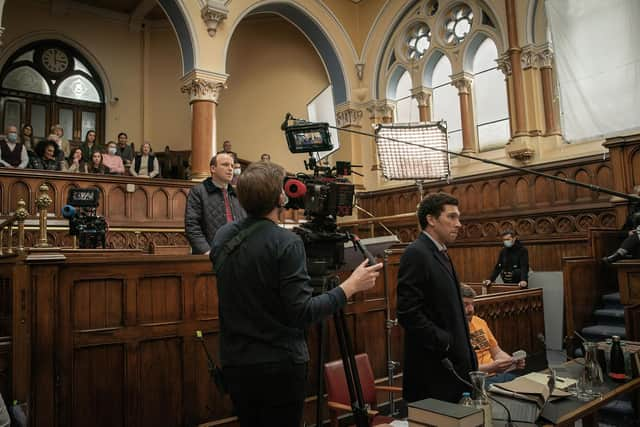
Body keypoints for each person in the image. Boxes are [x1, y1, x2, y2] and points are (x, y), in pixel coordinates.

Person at [211, 161, 383, 427]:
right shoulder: (286, 242)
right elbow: (302, 313)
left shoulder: (223, 236)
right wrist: (350, 286)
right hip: (279, 365)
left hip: (236, 363)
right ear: (281, 196)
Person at [397, 192, 477, 404]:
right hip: (434, 371)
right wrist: (446, 342)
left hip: (453, 368)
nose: (458, 224)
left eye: (458, 217)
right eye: (451, 217)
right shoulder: (416, 253)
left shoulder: (441, 252)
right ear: (431, 219)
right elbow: (407, 312)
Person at [461, 284, 525, 383]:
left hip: (497, 374)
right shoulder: (452, 330)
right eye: (465, 304)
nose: (471, 310)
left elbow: (496, 352)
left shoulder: (479, 322)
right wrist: (491, 367)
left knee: (529, 387)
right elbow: (463, 370)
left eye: (472, 304)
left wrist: (511, 361)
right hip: (477, 381)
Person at [185, 153, 245, 255]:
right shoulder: (198, 192)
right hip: (210, 256)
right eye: (225, 165)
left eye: (232, 166)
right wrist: (206, 251)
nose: (230, 169)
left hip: (237, 256)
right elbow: (192, 226)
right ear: (213, 168)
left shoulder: (237, 194)